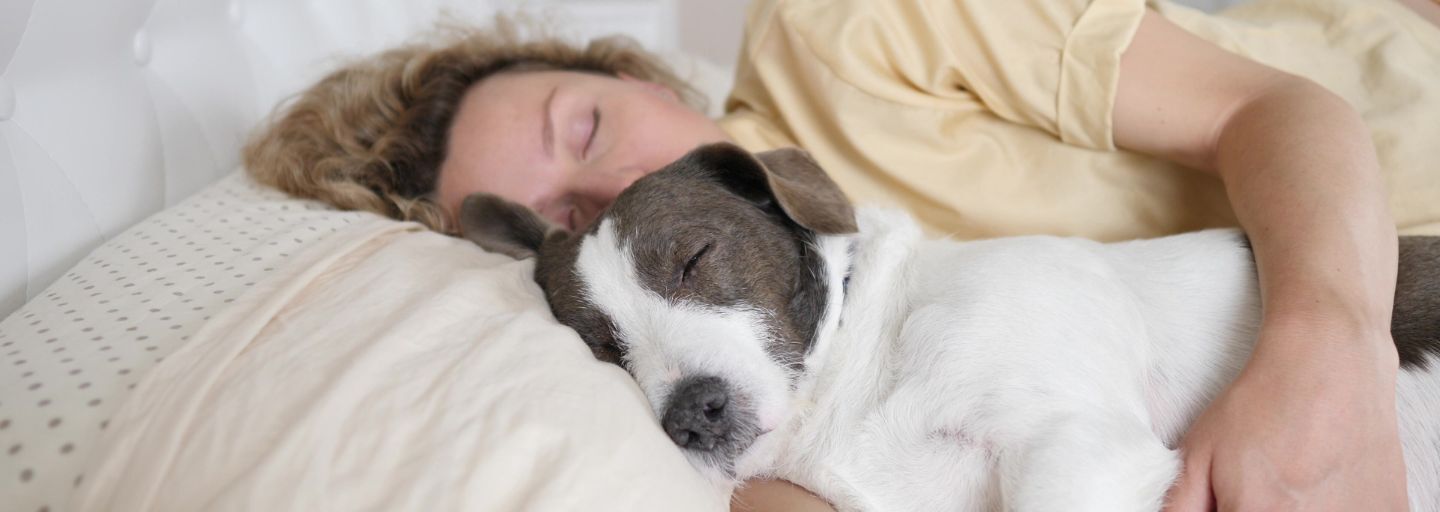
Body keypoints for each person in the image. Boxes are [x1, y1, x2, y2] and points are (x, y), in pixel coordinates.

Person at [243, 0, 1440, 510]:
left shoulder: (840, 29)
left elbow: (1277, 111)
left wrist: (1325, 340)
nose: (608, 195)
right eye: (562, 219)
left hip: (1387, 170)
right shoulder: (795, 375)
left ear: (632, 71)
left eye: (587, 130)